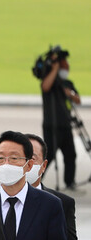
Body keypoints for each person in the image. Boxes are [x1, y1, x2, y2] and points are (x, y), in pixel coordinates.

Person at [40, 52, 81, 191]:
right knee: (49, 154)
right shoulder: (50, 81)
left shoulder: (67, 83)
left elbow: (78, 100)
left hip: (65, 124)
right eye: (64, 64)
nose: (67, 67)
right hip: (51, 125)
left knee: (70, 154)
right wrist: (54, 69)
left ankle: (70, 182)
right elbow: (45, 86)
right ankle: (36, 180)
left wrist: (70, 94)